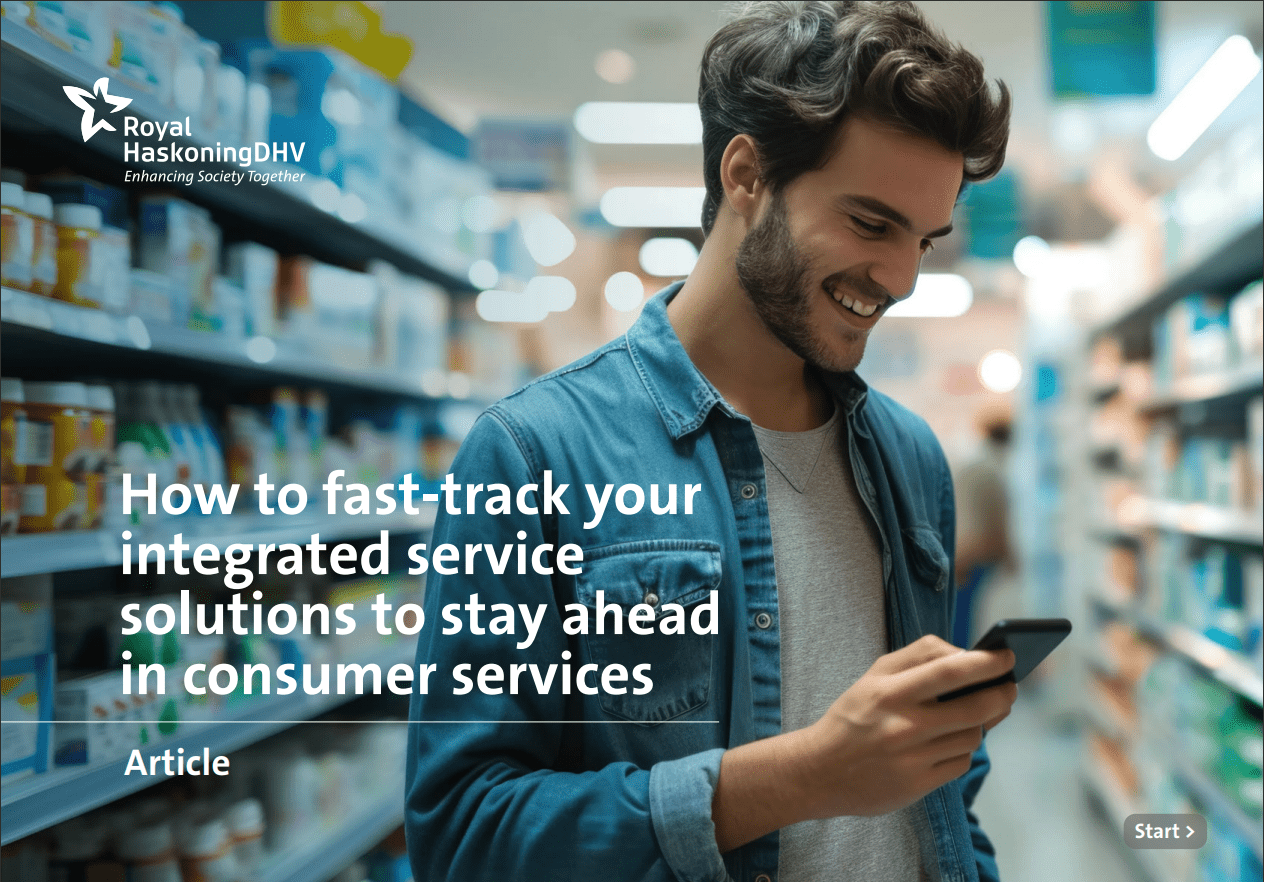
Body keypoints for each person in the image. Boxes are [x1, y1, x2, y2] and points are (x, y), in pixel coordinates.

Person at [405, 3, 1018, 880]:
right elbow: (463, 834)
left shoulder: (912, 459)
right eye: (871, 224)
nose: (902, 279)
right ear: (746, 174)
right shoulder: (532, 454)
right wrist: (798, 778)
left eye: (924, 240)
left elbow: (946, 788)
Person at [952, 408, 1016, 648]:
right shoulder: (989, 471)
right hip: (974, 561)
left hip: (969, 559)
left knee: (966, 629)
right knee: (967, 631)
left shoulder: (977, 468)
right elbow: (994, 529)